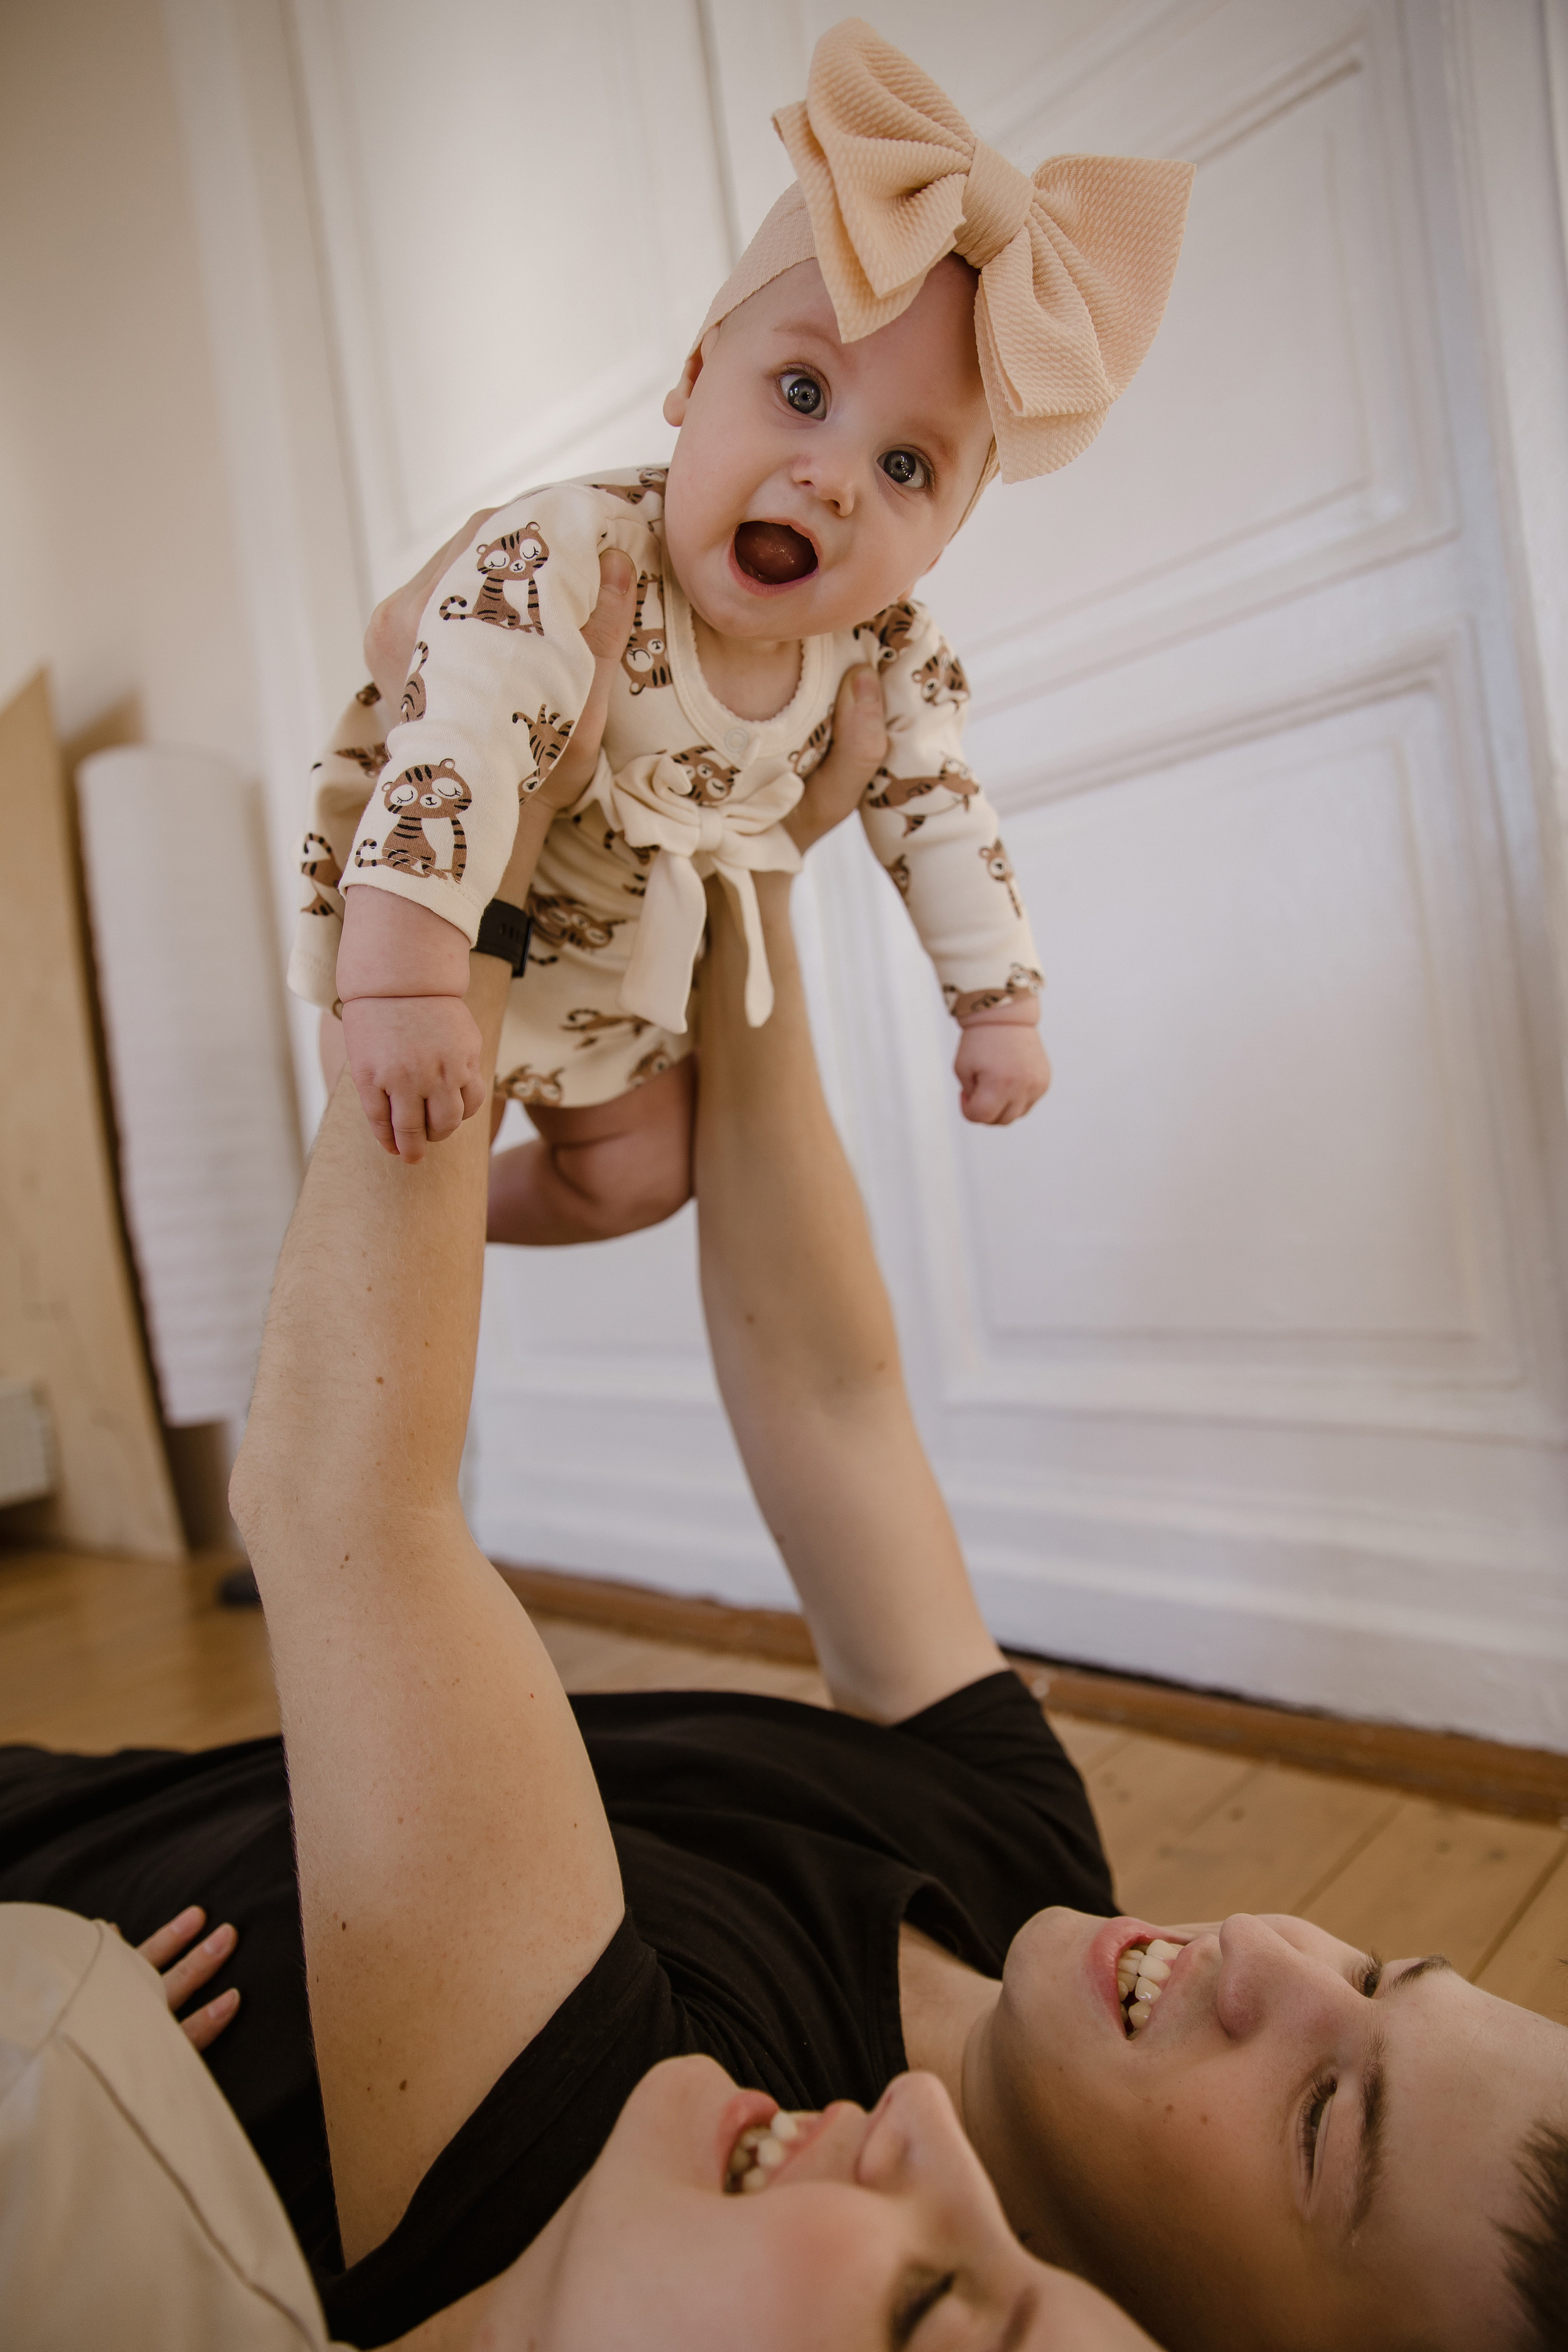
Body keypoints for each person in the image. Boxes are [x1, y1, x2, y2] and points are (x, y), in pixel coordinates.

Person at [0, 679, 1162, 2352]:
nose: (1275, 1961)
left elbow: (353, 1505)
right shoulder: (1042, 1883)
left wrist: (480, 798)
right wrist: (748, 850)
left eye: (1331, 2112)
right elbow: (831, 1398)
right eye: (1373, 1977)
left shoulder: (644, 2175)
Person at [286, 18, 1194, 1241]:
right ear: (692, 377)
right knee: (387, 1150)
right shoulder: (572, 553)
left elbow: (940, 816)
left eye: (907, 467)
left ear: (943, 543)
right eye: (802, 393)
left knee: (642, 1178)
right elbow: (454, 747)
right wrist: (399, 979)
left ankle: (470, 1227)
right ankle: (382, 1201)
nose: (831, 480)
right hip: (434, 893)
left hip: (614, 970)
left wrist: (996, 1006)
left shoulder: (887, 655)